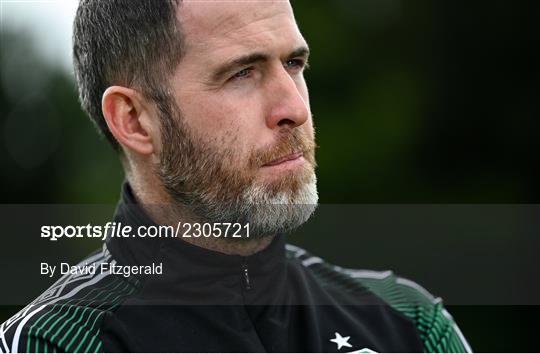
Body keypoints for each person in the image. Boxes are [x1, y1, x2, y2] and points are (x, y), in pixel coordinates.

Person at [0, 0, 472, 352]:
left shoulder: (408, 320)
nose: (296, 108)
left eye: (294, 64)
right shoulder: (58, 340)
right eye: (242, 73)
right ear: (135, 120)